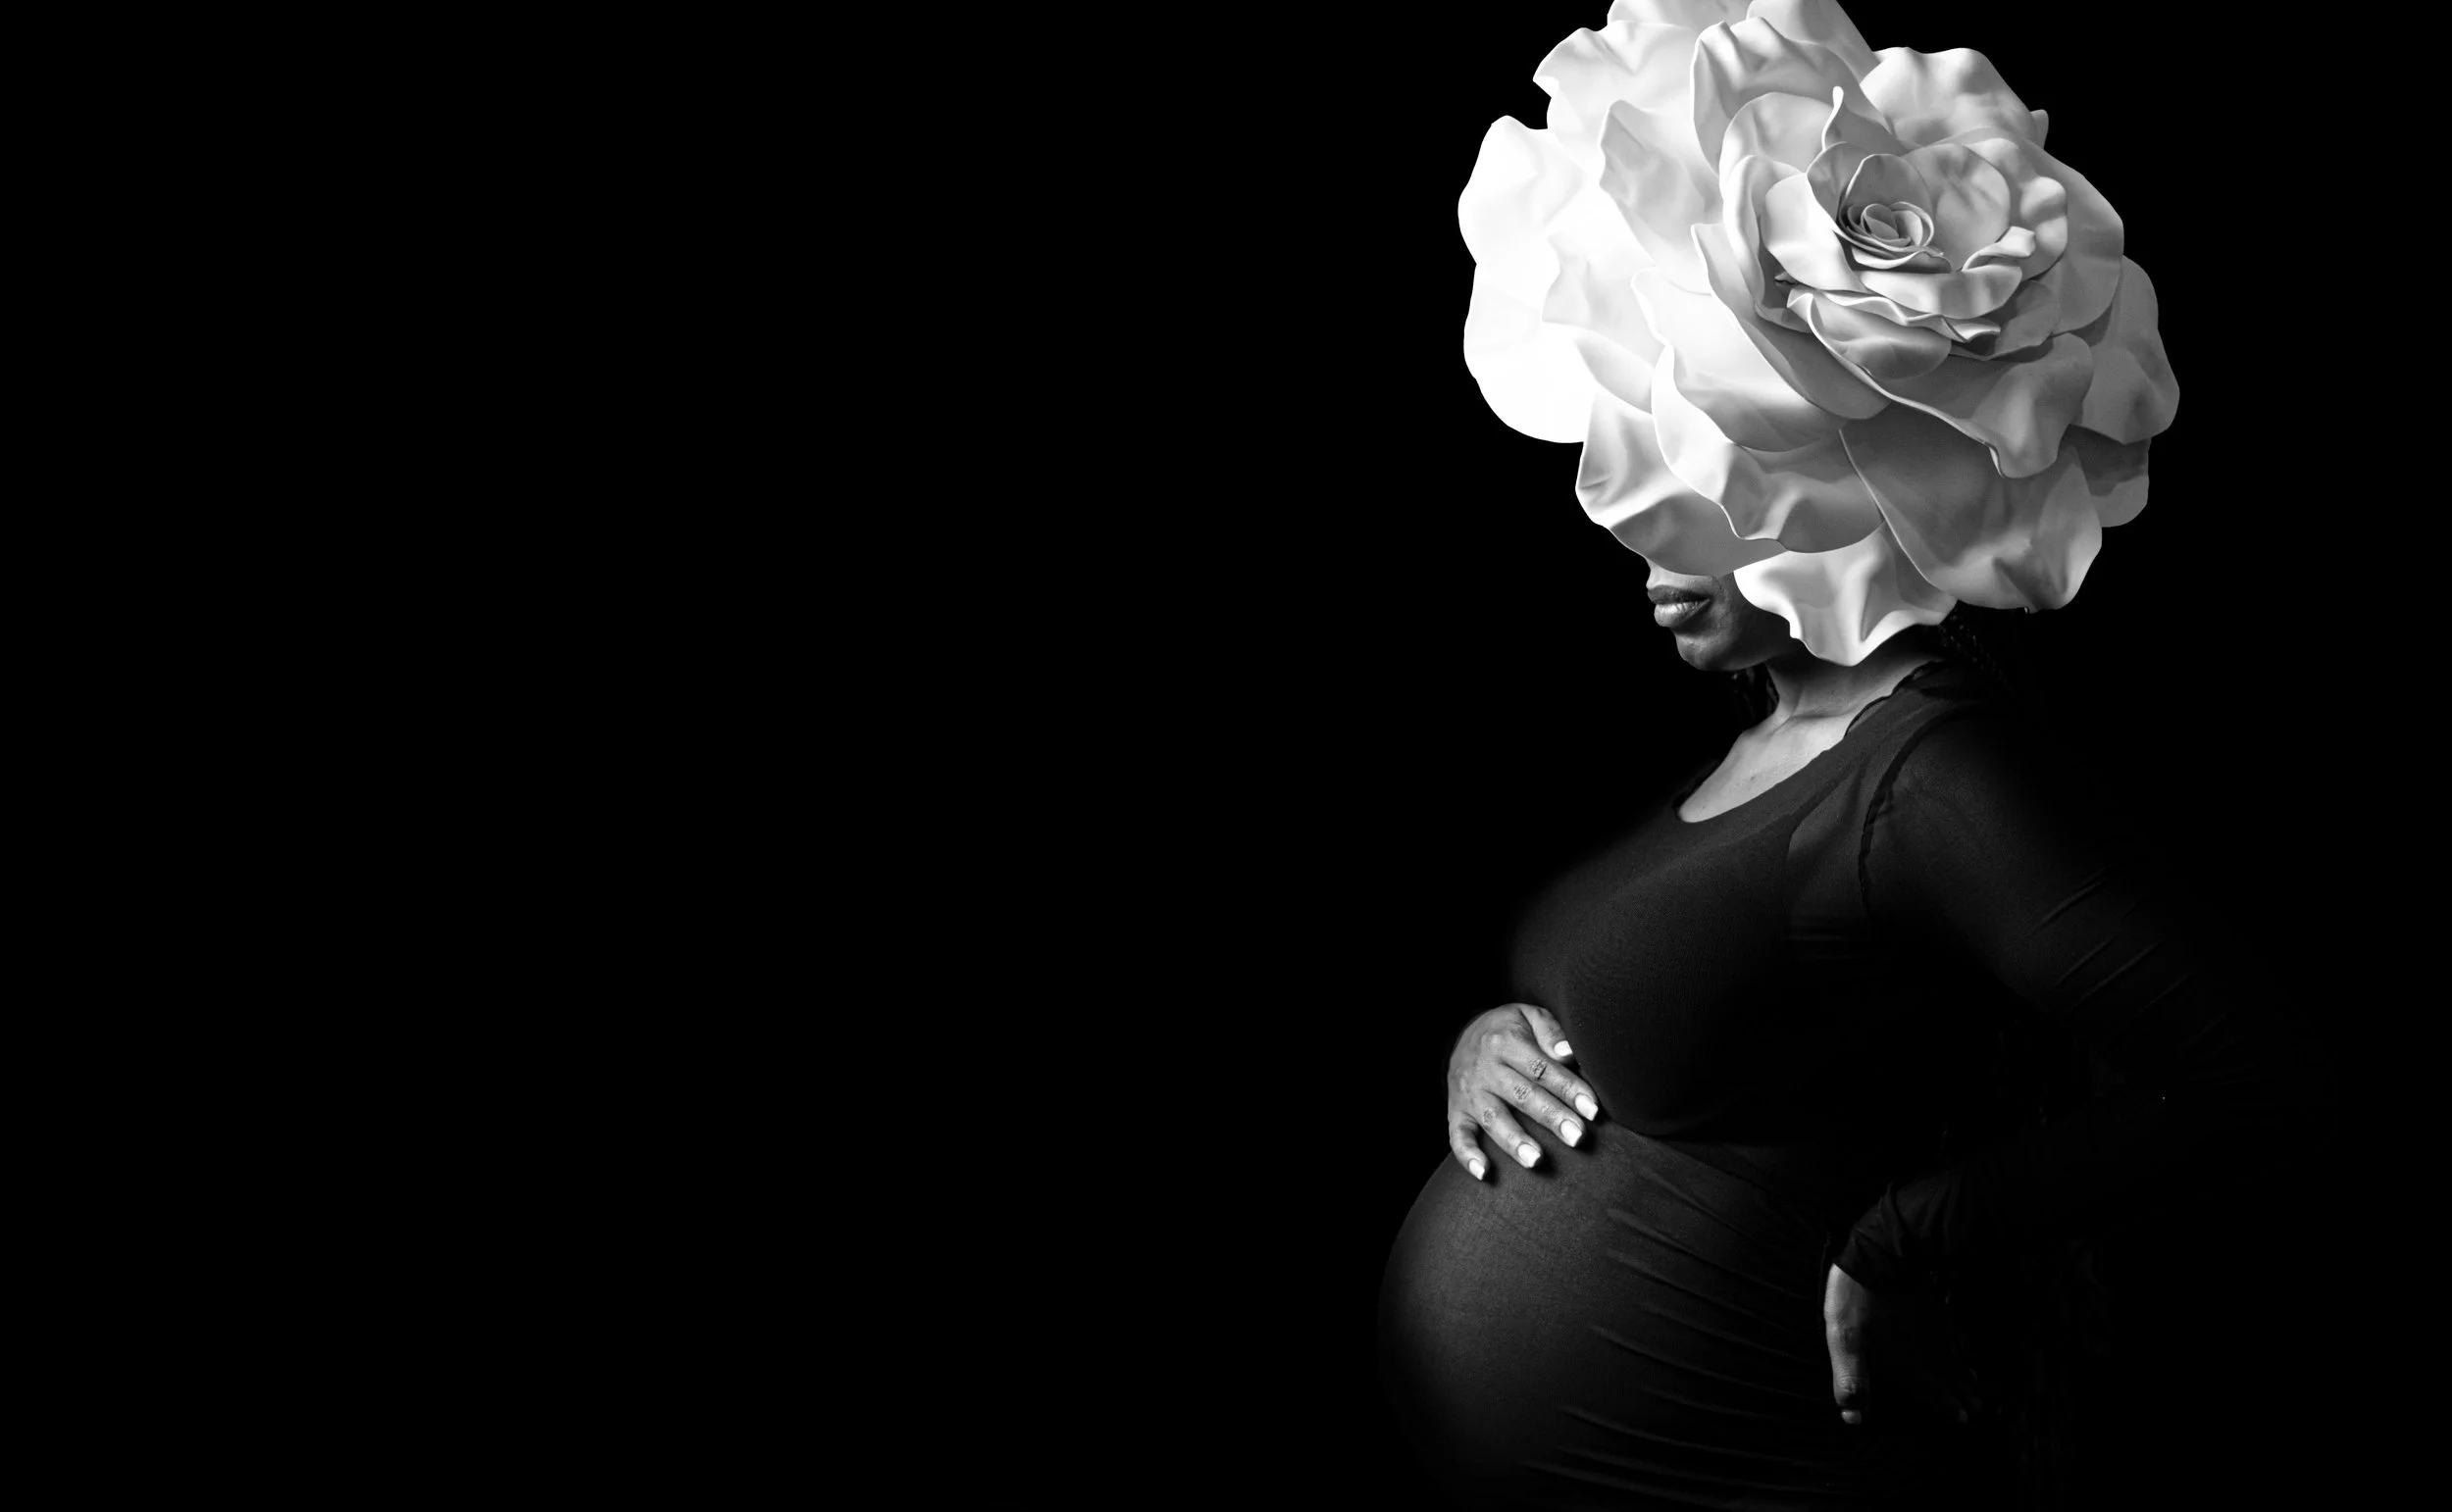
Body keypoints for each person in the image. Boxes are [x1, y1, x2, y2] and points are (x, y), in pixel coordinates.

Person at [1373, 566, 2308, 1508]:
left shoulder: (1936, 764)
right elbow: (1636, 1004)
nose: (1652, 554)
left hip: (1754, 1461)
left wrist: (1904, 1239)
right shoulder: (1754, 747)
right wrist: (1485, 1041)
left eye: (1700, 492)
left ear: (1838, 492)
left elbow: (2244, 1076)